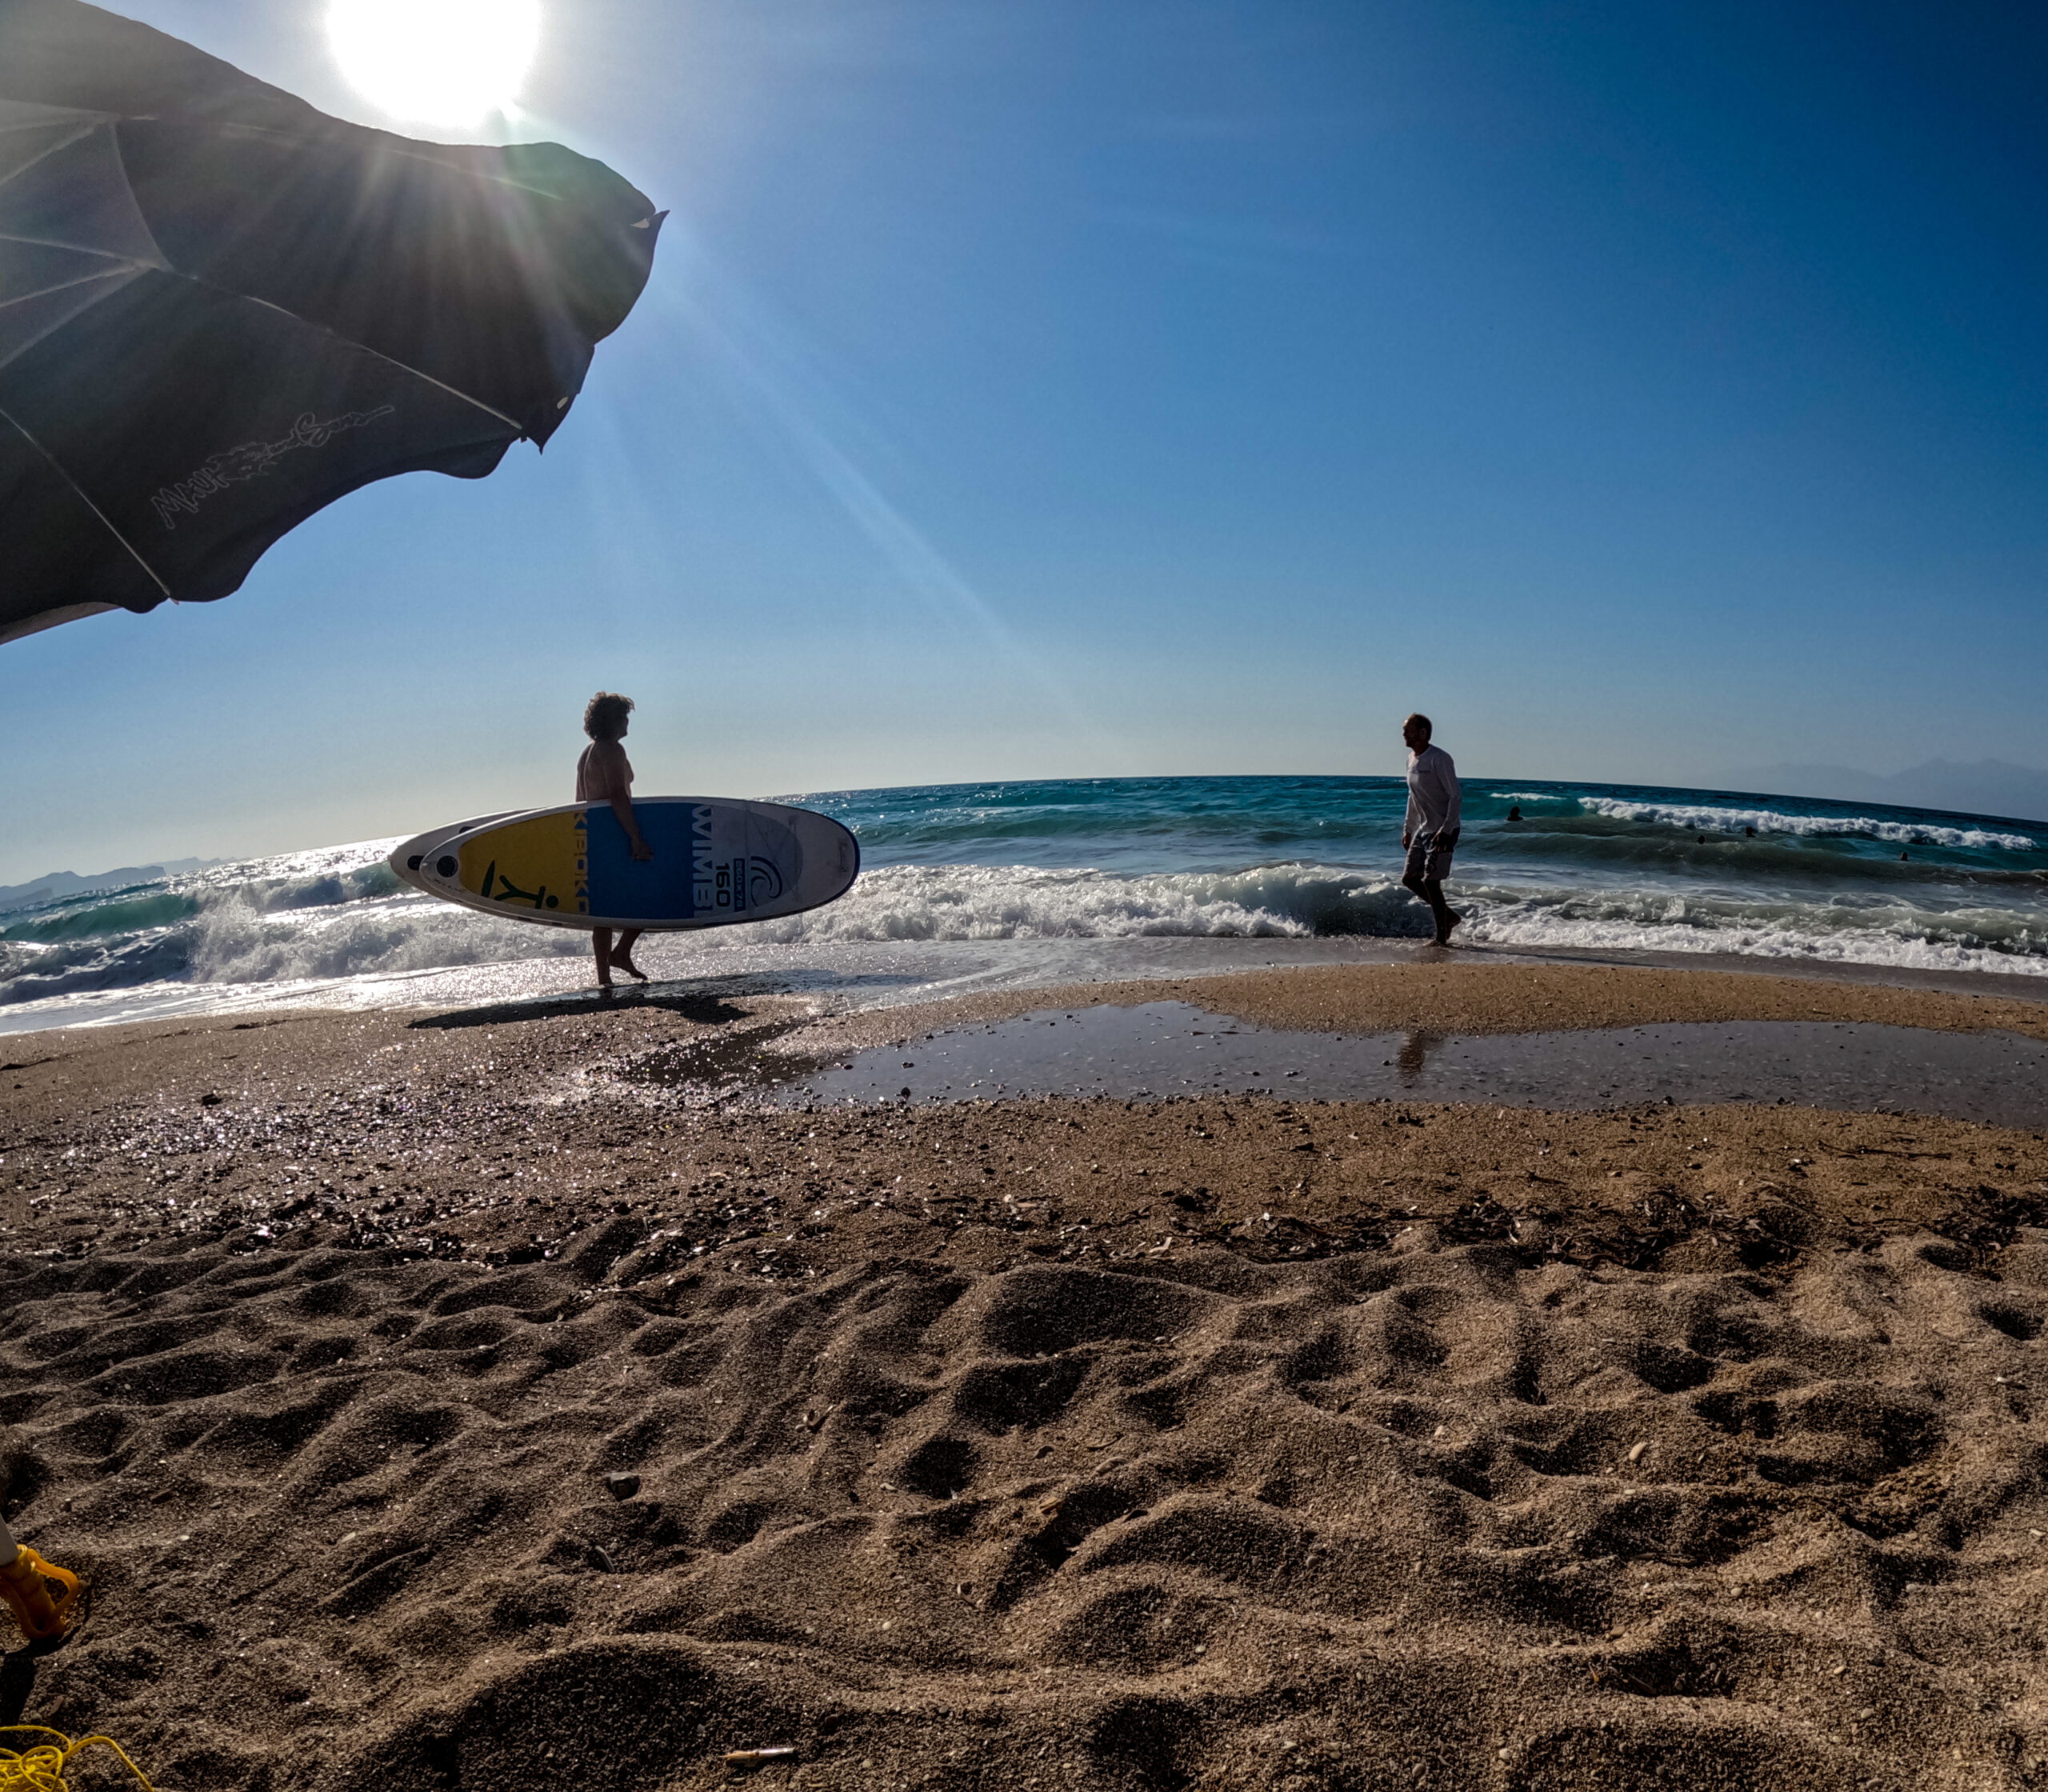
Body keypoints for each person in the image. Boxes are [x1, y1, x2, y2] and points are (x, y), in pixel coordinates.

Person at [578, 690, 654, 986]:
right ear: (613, 720)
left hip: (596, 836)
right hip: (614, 833)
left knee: (604, 909)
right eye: (624, 717)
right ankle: (621, 953)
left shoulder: (588, 752)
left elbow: (581, 801)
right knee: (646, 897)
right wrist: (635, 837)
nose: (627, 723)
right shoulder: (611, 750)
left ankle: (604, 978)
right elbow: (618, 796)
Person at [1400, 712, 1462, 946]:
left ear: (1423, 733)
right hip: (1423, 829)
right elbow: (1412, 797)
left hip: (1444, 830)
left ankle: (1441, 936)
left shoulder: (1440, 759)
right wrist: (1408, 828)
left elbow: (1455, 796)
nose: (1404, 734)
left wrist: (1447, 829)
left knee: (1431, 881)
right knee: (1409, 878)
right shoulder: (1410, 760)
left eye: (1408, 730)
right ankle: (1450, 917)